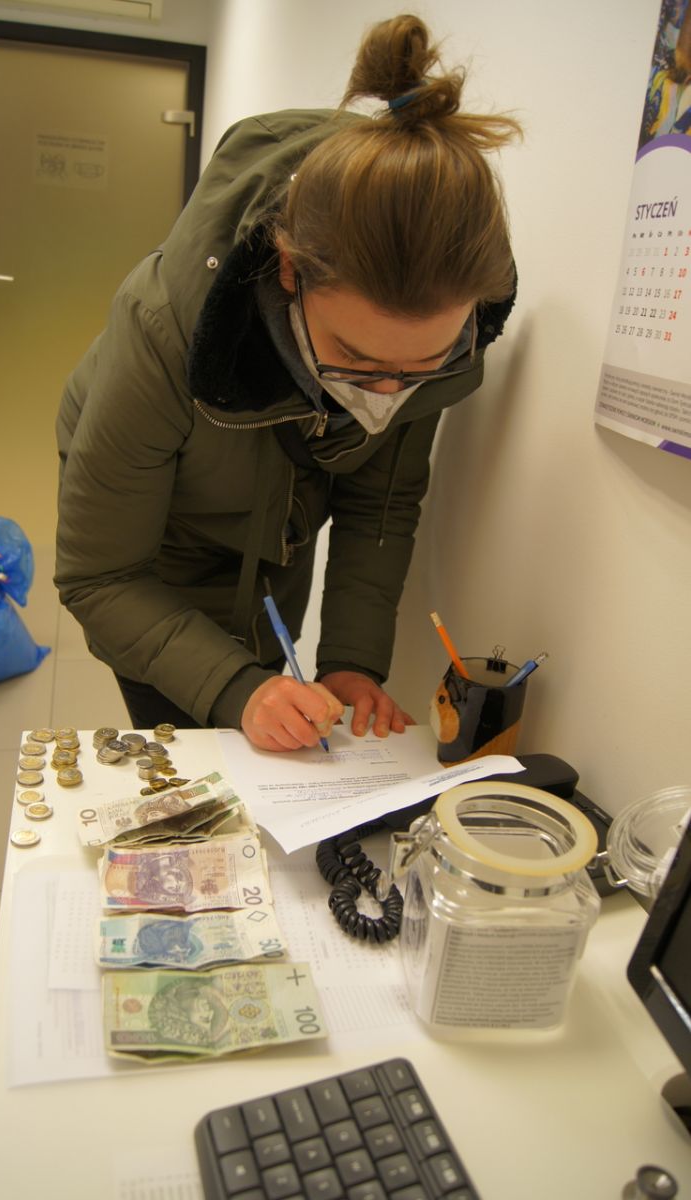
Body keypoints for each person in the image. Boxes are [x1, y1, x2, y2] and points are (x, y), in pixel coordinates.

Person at [55, 13, 521, 753]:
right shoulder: (162, 329)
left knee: (279, 709)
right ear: (287, 272)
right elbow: (101, 577)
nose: (385, 395)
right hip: (154, 564)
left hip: (274, 544)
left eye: (418, 368)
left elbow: (381, 504)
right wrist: (235, 688)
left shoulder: (440, 347)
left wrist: (350, 662)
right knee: (194, 733)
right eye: (355, 359)